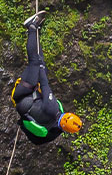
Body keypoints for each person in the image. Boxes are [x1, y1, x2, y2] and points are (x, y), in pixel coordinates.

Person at [11, 11, 83, 145]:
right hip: (24, 104)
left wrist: (41, 68)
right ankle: (37, 30)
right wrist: (23, 123)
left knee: (35, 62)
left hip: (22, 94)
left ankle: (31, 27)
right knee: (39, 62)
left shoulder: (53, 108)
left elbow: (44, 83)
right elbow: (36, 141)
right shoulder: (54, 133)